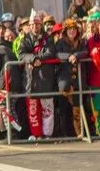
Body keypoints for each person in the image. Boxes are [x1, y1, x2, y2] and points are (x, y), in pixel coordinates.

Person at [18, 12, 58, 140]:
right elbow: (21, 54)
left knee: (47, 109)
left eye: (37, 24)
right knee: (33, 110)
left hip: (46, 78)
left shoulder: (48, 38)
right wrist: (33, 59)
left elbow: (50, 52)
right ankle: (37, 134)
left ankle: (47, 134)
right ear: (29, 26)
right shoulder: (24, 39)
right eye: (32, 25)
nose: (35, 27)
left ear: (40, 25)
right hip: (31, 80)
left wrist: (35, 59)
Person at [55, 19, 88, 138]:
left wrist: (76, 55)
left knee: (77, 108)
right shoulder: (60, 42)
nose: (72, 31)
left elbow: (85, 52)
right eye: (70, 29)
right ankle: (66, 134)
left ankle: (79, 132)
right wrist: (69, 56)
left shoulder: (81, 42)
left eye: (74, 29)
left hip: (78, 79)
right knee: (65, 108)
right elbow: (57, 54)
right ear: (65, 31)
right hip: (65, 80)